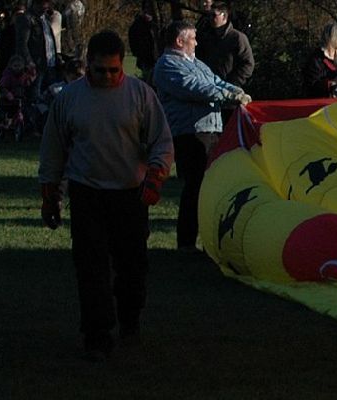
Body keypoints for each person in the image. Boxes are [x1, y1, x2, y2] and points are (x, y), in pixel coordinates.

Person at [38, 30, 173, 361]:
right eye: (101, 71)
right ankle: (97, 334)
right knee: (90, 266)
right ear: (88, 66)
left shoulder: (140, 95)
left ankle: (129, 321)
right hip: (88, 194)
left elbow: (162, 141)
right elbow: (53, 149)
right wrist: (49, 193)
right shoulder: (70, 99)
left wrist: (156, 174)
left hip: (130, 193)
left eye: (114, 70)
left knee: (132, 266)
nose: (108, 77)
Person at [152, 20, 248, 251]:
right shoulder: (167, 66)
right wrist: (228, 96)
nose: (196, 42)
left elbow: (214, 81)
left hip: (211, 131)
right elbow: (194, 88)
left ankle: (209, 241)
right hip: (190, 133)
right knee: (196, 186)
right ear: (179, 41)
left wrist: (236, 91)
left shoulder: (196, 63)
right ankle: (186, 242)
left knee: (210, 186)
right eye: (192, 38)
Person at [193, 3, 250, 86]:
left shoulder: (237, 38)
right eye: (209, 15)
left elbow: (247, 63)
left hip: (230, 87)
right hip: (208, 86)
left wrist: (233, 83)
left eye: (214, 15)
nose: (210, 18)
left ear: (224, 16)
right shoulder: (206, 37)